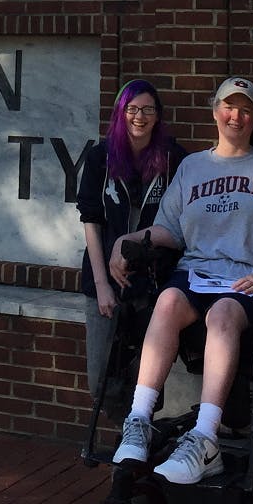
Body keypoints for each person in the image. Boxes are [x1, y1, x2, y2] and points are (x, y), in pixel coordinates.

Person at [108, 77, 253, 484]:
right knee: (167, 300)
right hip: (198, 277)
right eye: (228, 106)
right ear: (215, 110)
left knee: (224, 312)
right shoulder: (192, 167)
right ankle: (138, 420)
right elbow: (171, 230)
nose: (235, 115)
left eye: (245, 109)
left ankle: (205, 438)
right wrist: (128, 238)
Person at [76, 79, 188, 415]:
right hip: (105, 279)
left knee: (148, 376)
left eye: (148, 109)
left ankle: (139, 439)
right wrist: (101, 286)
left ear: (158, 116)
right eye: (132, 109)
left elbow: (180, 221)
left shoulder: (174, 159)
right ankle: (119, 431)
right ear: (120, 114)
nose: (140, 116)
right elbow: (91, 219)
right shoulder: (101, 158)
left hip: (153, 279)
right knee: (100, 377)